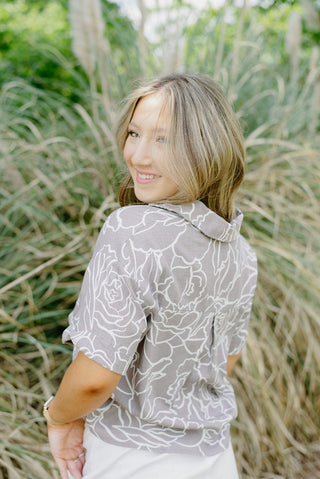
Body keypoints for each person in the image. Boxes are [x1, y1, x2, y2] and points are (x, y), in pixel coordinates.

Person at [44, 73, 257, 479]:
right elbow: (225, 361)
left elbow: (94, 378)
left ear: (206, 148)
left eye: (164, 140)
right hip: (216, 460)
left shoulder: (131, 230)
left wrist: (58, 417)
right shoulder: (242, 253)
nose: (139, 156)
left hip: (131, 459)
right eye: (134, 133)